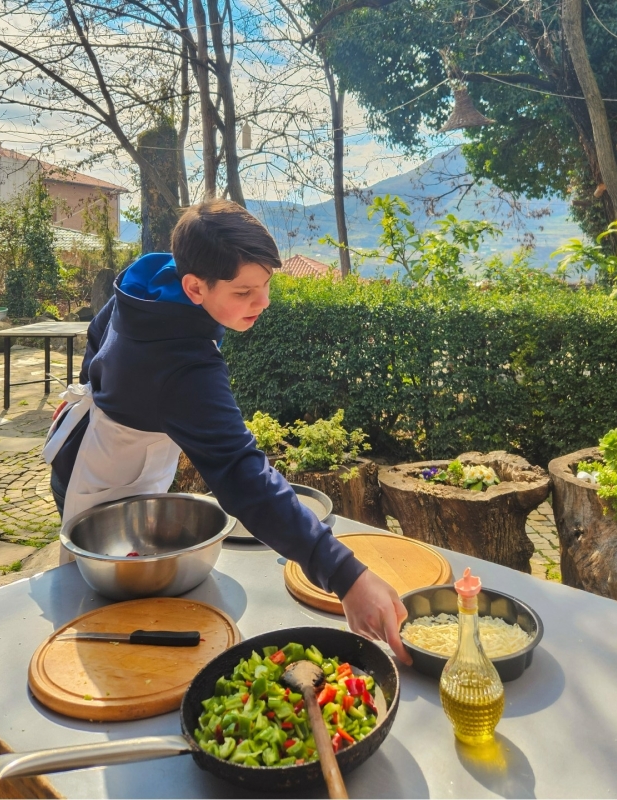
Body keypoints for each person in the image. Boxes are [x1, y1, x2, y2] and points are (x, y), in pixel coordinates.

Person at [43, 199, 410, 664]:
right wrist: (347, 577)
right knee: (94, 614)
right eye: (244, 293)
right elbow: (243, 475)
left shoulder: (150, 279)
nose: (264, 302)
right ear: (195, 286)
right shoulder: (183, 367)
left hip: (86, 440)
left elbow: (99, 335)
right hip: (101, 481)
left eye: (267, 284)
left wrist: (98, 380)